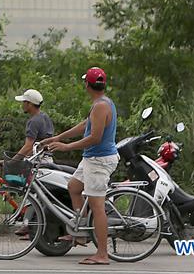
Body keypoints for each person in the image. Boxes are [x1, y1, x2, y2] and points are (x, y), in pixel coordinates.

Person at [43, 67, 119, 266]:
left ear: (87, 85)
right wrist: (58, 137)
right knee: (74, 187)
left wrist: (66, 147)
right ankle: (82, 233)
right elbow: (85, 126)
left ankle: (102, 254)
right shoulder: (100, 103)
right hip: (91, 159)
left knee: (97, 206)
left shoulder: (101, 106)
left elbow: (95, 137)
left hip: (99, 161)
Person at [13, 88, 54, 158]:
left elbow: (28, 147)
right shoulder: (45, 116)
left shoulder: (33, 121)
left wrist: (12, 162)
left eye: (24, 102)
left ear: (30, 104)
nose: (22, 105)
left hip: (36, 160)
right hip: (47, 158)